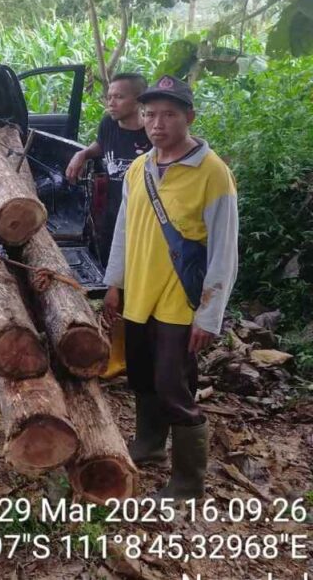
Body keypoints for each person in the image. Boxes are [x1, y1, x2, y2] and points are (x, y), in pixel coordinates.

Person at [102, 75, 238, 500]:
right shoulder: (140, 168)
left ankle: (188, 481)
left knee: (173, 386)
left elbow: (223, 251)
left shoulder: (213, 174)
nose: (157, 123)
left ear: (189, 118)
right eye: (150, 114)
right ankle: (148, 446)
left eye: (169, 114)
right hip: (139, 297)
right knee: (142, 377)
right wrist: (114, 283)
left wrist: (209, 315)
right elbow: (124, 228)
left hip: (181, 303)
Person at [66, 73, 151, 266]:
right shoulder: (109, 124)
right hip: (114, 212)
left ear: (139, 100)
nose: (111, 102)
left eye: (119, 97)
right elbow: (101, 144)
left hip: (143, 216)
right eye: (109, 96)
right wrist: (82, 154)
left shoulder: (152, 132)